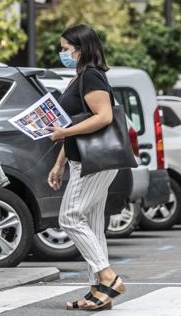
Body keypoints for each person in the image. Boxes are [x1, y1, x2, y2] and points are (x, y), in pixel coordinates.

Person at [46, 24, 127, 311]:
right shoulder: (79, 78)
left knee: (69, 218)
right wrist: (59, 163)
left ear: (81, 49)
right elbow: (73, 125)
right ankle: (97, 293)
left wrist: (64, 135)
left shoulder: (91, 76)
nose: (62, 54)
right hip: (83, 159)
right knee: (92, 224)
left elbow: (103, 117)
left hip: (96, 162)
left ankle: (108, 277)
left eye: (66, 49)